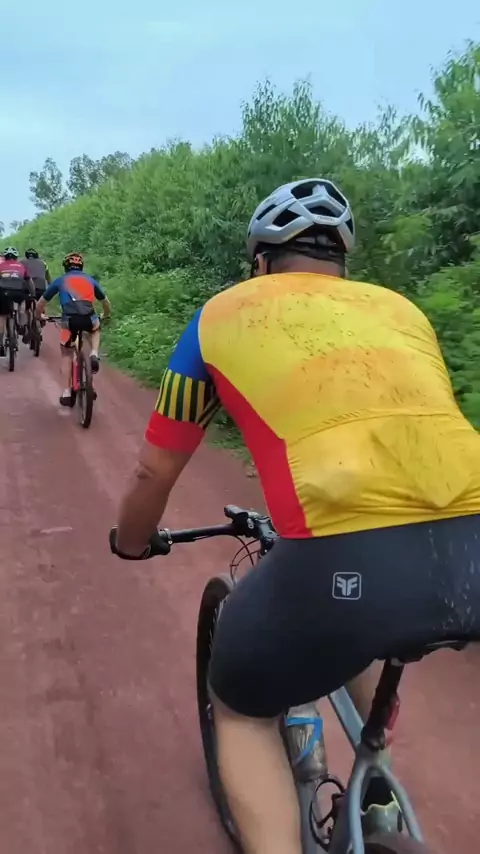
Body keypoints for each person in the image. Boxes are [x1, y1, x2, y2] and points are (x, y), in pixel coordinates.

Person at [109, 178, 480, 854]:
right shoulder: (401, 312)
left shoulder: (221, 316)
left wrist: (132, 541)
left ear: (260, 262)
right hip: (472, 543)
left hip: (342, 555)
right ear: (343, 262)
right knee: (365, 618)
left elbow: (152, 471)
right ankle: (377, 787)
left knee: (241, 706)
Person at [35, 251, 111, 406]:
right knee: (95, 328)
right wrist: (106, 314)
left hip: (69, 321)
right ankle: (94, 353)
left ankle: (66, 392)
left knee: (66, 354)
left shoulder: (60, 281)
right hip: (88, 317)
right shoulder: (90, 280)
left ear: (65, 267)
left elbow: (41, 303)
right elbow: (105, 302)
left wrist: (39, 316)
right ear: (81, 266)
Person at [0, 247, 34, 355]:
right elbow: (29, 282)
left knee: (2, 316)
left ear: (5, 257)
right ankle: (22, 325)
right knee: (22, 303)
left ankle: (0, 343)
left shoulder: (1, 265)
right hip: (18, 292)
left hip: (3, 293)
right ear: (16, 257)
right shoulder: (21, 266)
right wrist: (32, 294)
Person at [20, 248, 52, 344]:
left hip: (28, 289)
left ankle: (27, 325)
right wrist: (50, 286)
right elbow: (48, 278)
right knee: (41, 304)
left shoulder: (21, 262)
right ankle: (42, 317)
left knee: (27, 308)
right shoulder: (43, 263)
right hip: (41, 288)